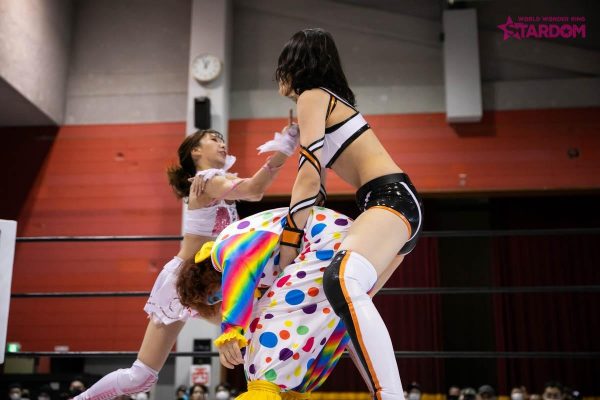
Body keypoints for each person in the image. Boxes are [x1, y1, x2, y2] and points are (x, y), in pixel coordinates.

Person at [73, 126, 298, 400]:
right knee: (141, 377)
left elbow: (249, 187)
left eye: (223, 140)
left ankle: (274, 389)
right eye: (214, 139)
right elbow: (254, 190)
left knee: (260, 326)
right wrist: (284, 149)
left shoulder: (216, 180)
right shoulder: (207, 180)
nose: (222, 144)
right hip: (186, 281)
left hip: (215, 282)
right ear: (195, 151)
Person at [274, 28, 423, 399]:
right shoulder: (325, 100)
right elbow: (318, 183)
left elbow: (309, 174)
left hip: (389, 199)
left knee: (341, 281)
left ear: (292, 65)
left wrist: (289, 240)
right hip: (390, 202)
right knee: (342, 309)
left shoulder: (312, 96)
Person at [179, 206, 382, 399]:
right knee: (326, 325)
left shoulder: (222, 251)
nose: (221, 299)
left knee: (260, 331)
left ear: (205, 279)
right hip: (347, 245)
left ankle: (267, 388)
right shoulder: (248, 261)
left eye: (214, 297)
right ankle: (291, 390)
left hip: (328, 243)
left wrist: (231, 329)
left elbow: (240, 265)